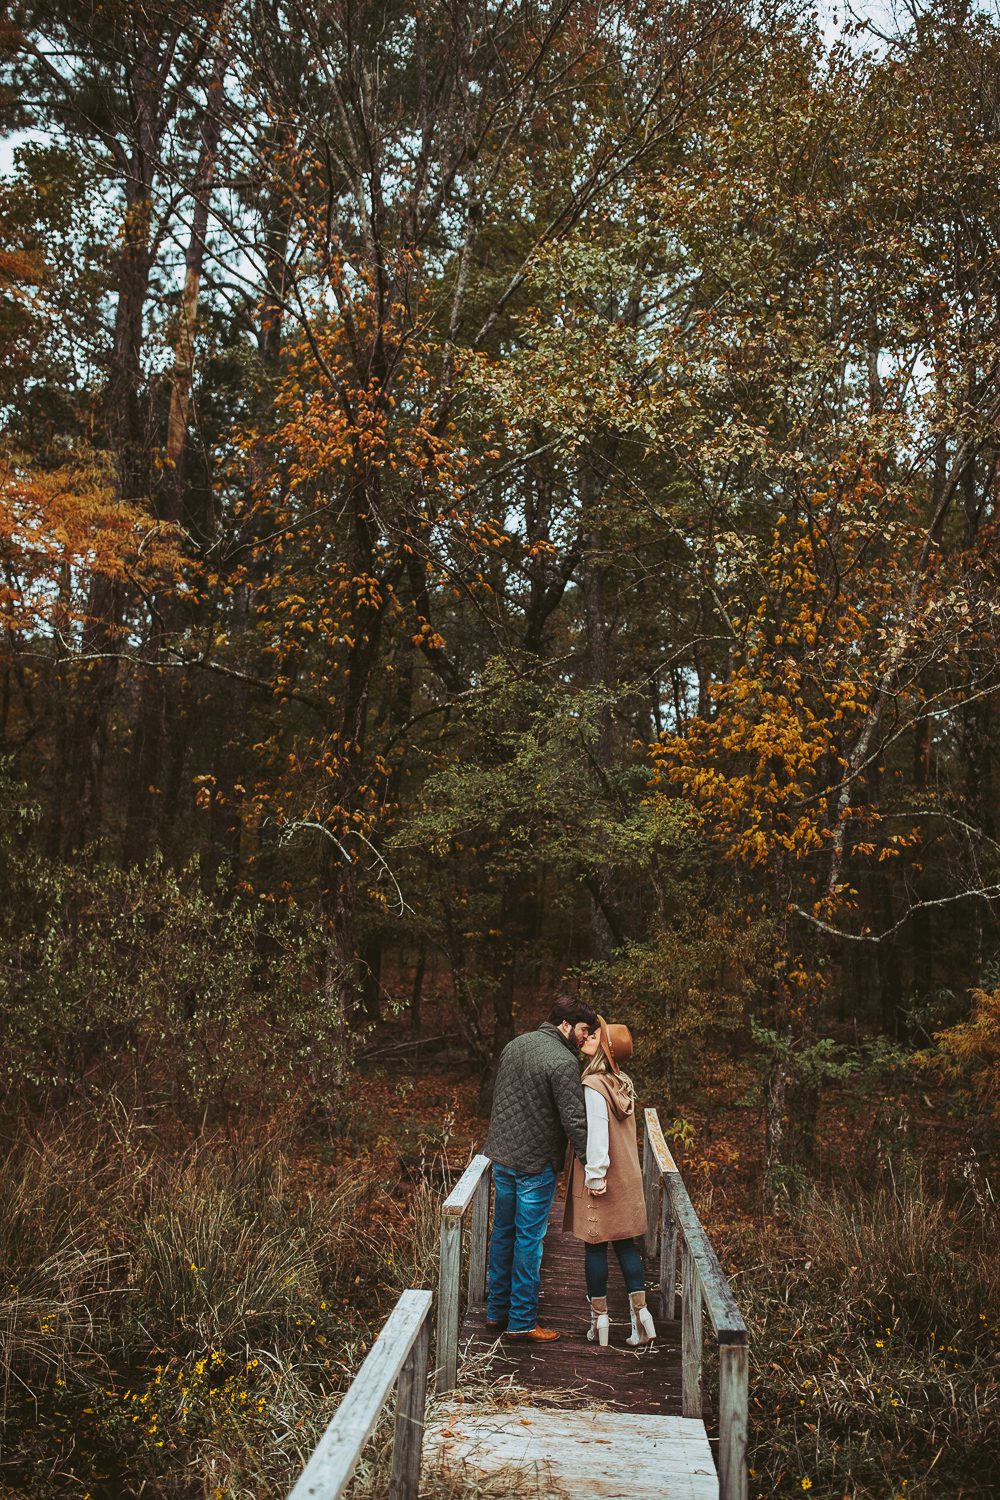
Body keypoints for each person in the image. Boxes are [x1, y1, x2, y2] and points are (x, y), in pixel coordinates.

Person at [483, 995, 599, 1342]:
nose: (585, 1036)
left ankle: (496, 1312)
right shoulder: (563, 1062)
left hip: (503, 1157)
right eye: (583, 1029)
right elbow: (574, 1120)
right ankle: (521, 1321)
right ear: (565, 1024)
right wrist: (593, 1166)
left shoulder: (515, 1045)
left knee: (503, 1234)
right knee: (529, 1241)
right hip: (534, 1164)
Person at [563, 1015, 656, 1348]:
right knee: (626, 1244)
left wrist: (595, 1175)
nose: (588, 1037)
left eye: (595, 1036)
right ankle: (641, 1318)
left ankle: (599, 1323)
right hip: (626, 1175)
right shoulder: (621, 1083)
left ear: (604, 1048)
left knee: (595, 1245)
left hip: (604, 1175)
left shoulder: (594, 1085)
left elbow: (598, 1134)